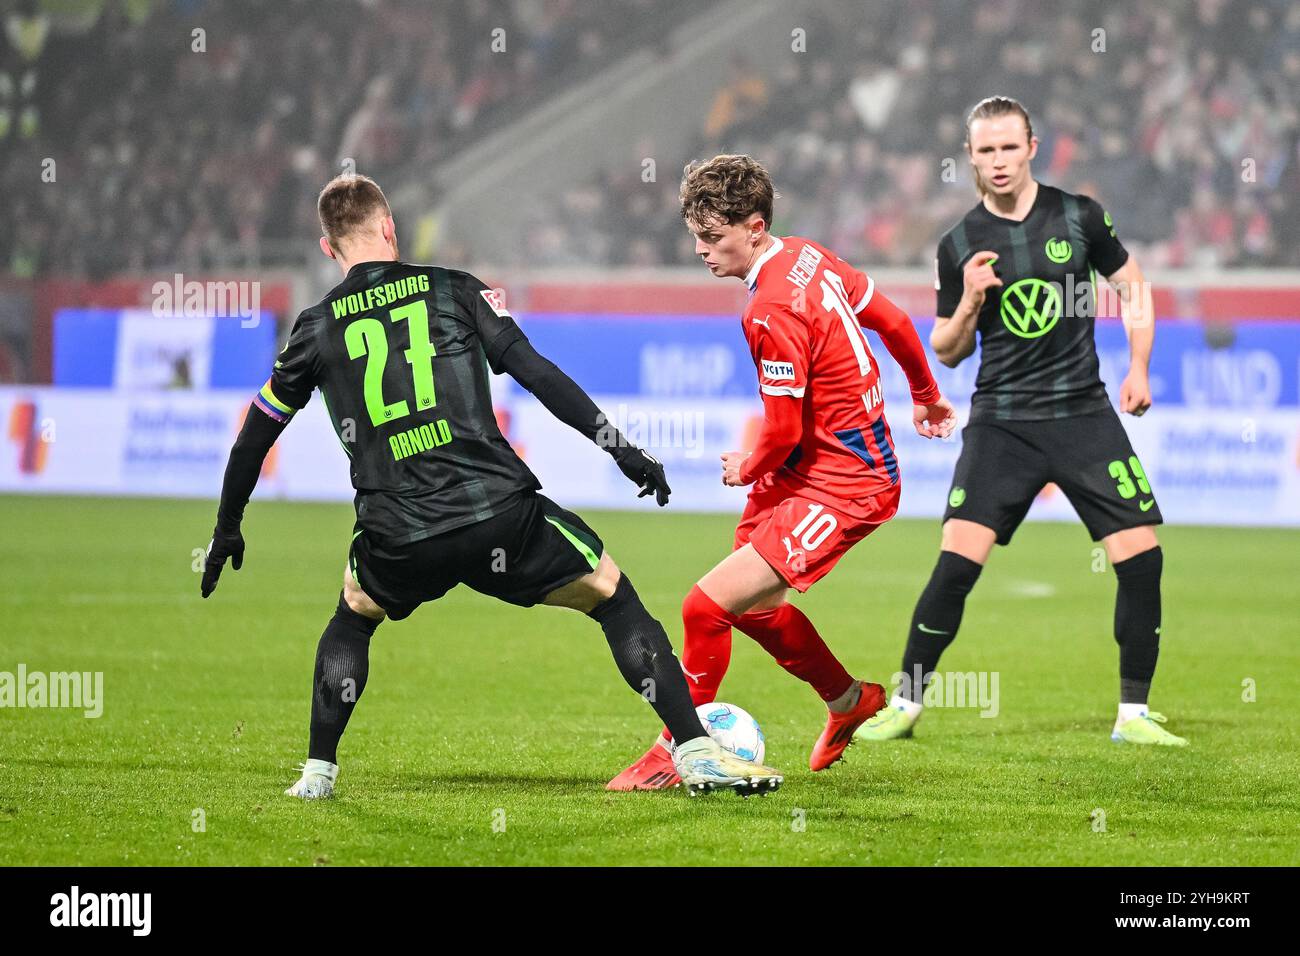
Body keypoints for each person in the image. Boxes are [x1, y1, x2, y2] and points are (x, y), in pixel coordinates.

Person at [200, 173, 786, 798]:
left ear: (327, 247)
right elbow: (536, 373)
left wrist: (226, 526)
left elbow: (253, 438)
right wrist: (623, 450)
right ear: (389, 226)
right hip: (498, 515)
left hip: (399, 534)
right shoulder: (455, 291)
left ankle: (317, 774)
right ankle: (695, 752)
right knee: (614, 600)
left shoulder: (315, 329)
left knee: (353, 618)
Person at [608, 154, 956, 790]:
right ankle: (850, 700)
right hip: (808, 470)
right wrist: (927, 393)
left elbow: (783, 430)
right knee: (751, 609)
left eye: (713, 238)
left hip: (847, 482)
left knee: (702, 607)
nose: (701, 251)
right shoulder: (806, 255)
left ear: (756, 226)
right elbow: (897, 322)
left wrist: (747, 467)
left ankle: (677, 752)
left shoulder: (769, 309)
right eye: (696, 236)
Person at [856, 96, 1185, 746]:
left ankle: (1133, 716)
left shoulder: (1079, 216)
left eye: (1010, 147)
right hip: (1002, 421)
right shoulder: (959, 244)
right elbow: (946, 351)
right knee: (955, 567)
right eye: (986, 150)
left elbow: (1134, 286)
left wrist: (1140, 366)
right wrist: (973, 298)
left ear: (1032, 147)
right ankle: (907, 701)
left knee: (1141, 561)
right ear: (971, 157)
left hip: (1083, 415)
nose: (998, 161)